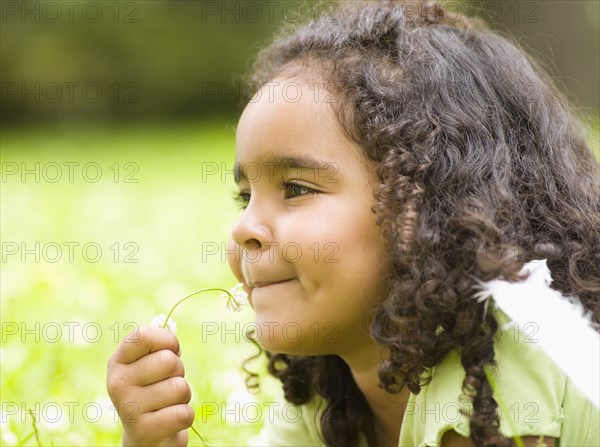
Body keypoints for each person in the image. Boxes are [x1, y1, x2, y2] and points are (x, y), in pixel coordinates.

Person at [106, 1, 600, 446]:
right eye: (244, 198)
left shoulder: (508, 348)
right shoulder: (329, 389)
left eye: (296, 189)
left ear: (427, 209)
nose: (244, 229)